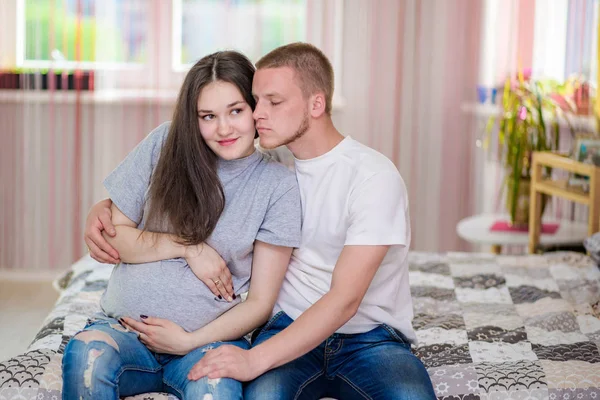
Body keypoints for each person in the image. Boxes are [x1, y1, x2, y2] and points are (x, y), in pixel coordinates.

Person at [88, 42, 436, 400]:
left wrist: (253, 360)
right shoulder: (273, 159)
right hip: (286, 325)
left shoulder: (370, 176)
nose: (256, 115)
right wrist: (105, 205)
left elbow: (344, 300)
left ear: (316, 105)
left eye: (273, 102)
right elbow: (208, 166)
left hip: (370, 336)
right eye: (256, 101)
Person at [62, 50, 302, 400]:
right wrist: (188, 246)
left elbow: (260, 303)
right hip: (123, 332)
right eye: (208, 116)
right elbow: (117, 240)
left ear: (256, 110)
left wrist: (187, 341)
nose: (223, 128)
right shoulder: (164, 144)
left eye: (236, 111)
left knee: (215, 391)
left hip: (207, 342)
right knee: (86, 357)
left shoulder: (277, 186)